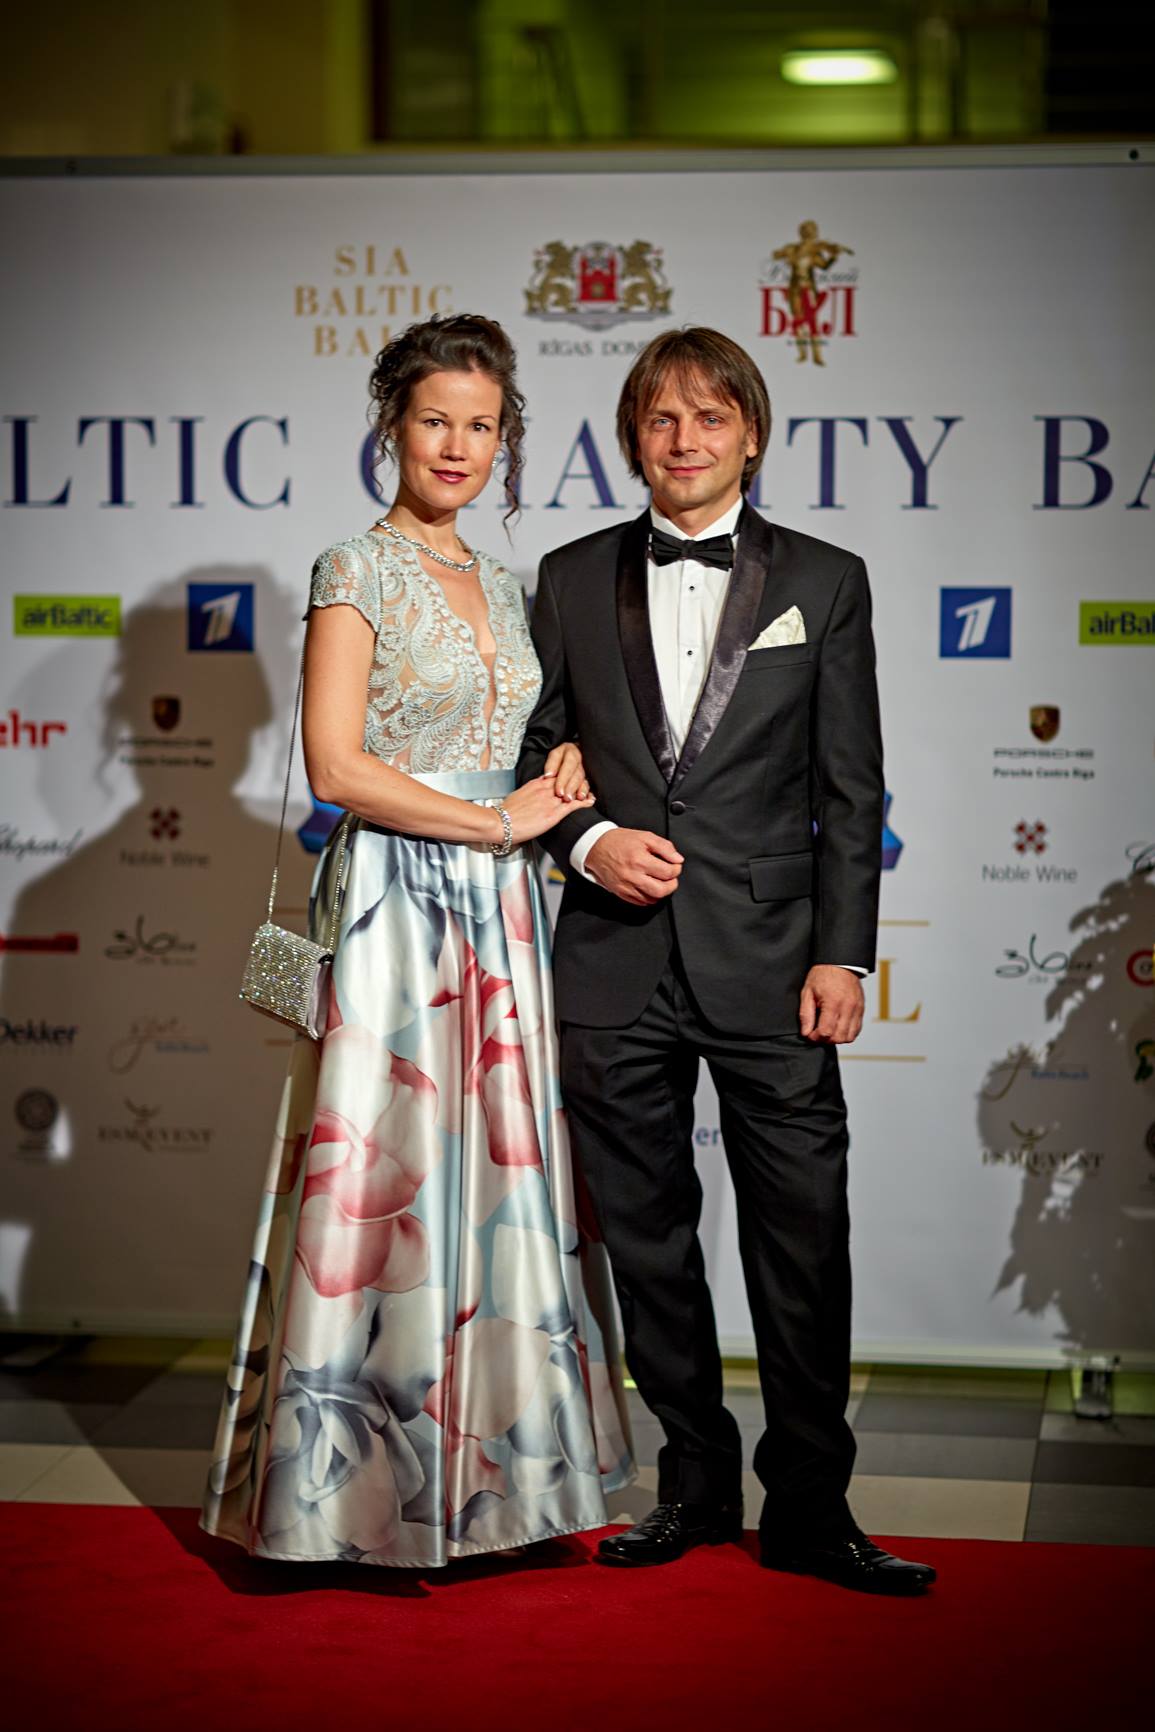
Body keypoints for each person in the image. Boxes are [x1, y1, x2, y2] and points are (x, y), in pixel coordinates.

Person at [202, 313, 634, 1569]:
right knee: (381, 1185)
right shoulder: (354, 567)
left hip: (503, 909)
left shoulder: (507, 582)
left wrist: (553, 770)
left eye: (481, 426)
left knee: (500, 1191)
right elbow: (337, 767)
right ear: (392, 425)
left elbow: (518, 734)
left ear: (506, 443)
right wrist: (494, 820)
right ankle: (345, 1501)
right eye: (435, 419)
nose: (456, 444)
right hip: (396, 901)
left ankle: (504, 1489)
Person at [518, 326, 934, 1595]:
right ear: (632, 438)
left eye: (709, 417)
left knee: (802, 1243)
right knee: (647, 1245)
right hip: (613, 963)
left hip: (773, 962)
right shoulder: (568, 576)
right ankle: (692, 1484)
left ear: (751, 433)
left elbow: (850, 786)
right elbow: (536, 754)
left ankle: (810, 1507)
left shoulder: (827, 577)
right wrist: (588, 842)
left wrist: (844, 954)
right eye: (660, 418)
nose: (683, 439)